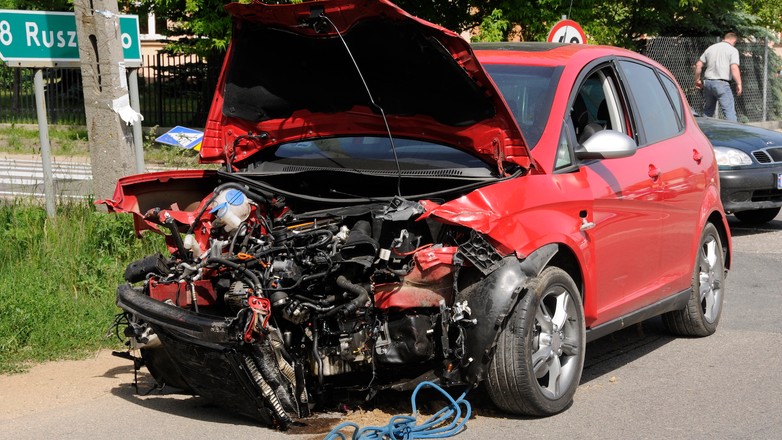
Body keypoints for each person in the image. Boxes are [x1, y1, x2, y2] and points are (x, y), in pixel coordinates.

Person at [694, 32, 742, 121]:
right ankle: (732, 133)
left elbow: (698, 65)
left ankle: (704, 132)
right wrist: (739, 83)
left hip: (707, 83)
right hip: (722, 84)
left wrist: (697, 80)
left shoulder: (711, 48)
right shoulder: (732, 50)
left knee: (708, 111)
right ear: (733, 40)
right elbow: (734, 68)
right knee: (729, 112)